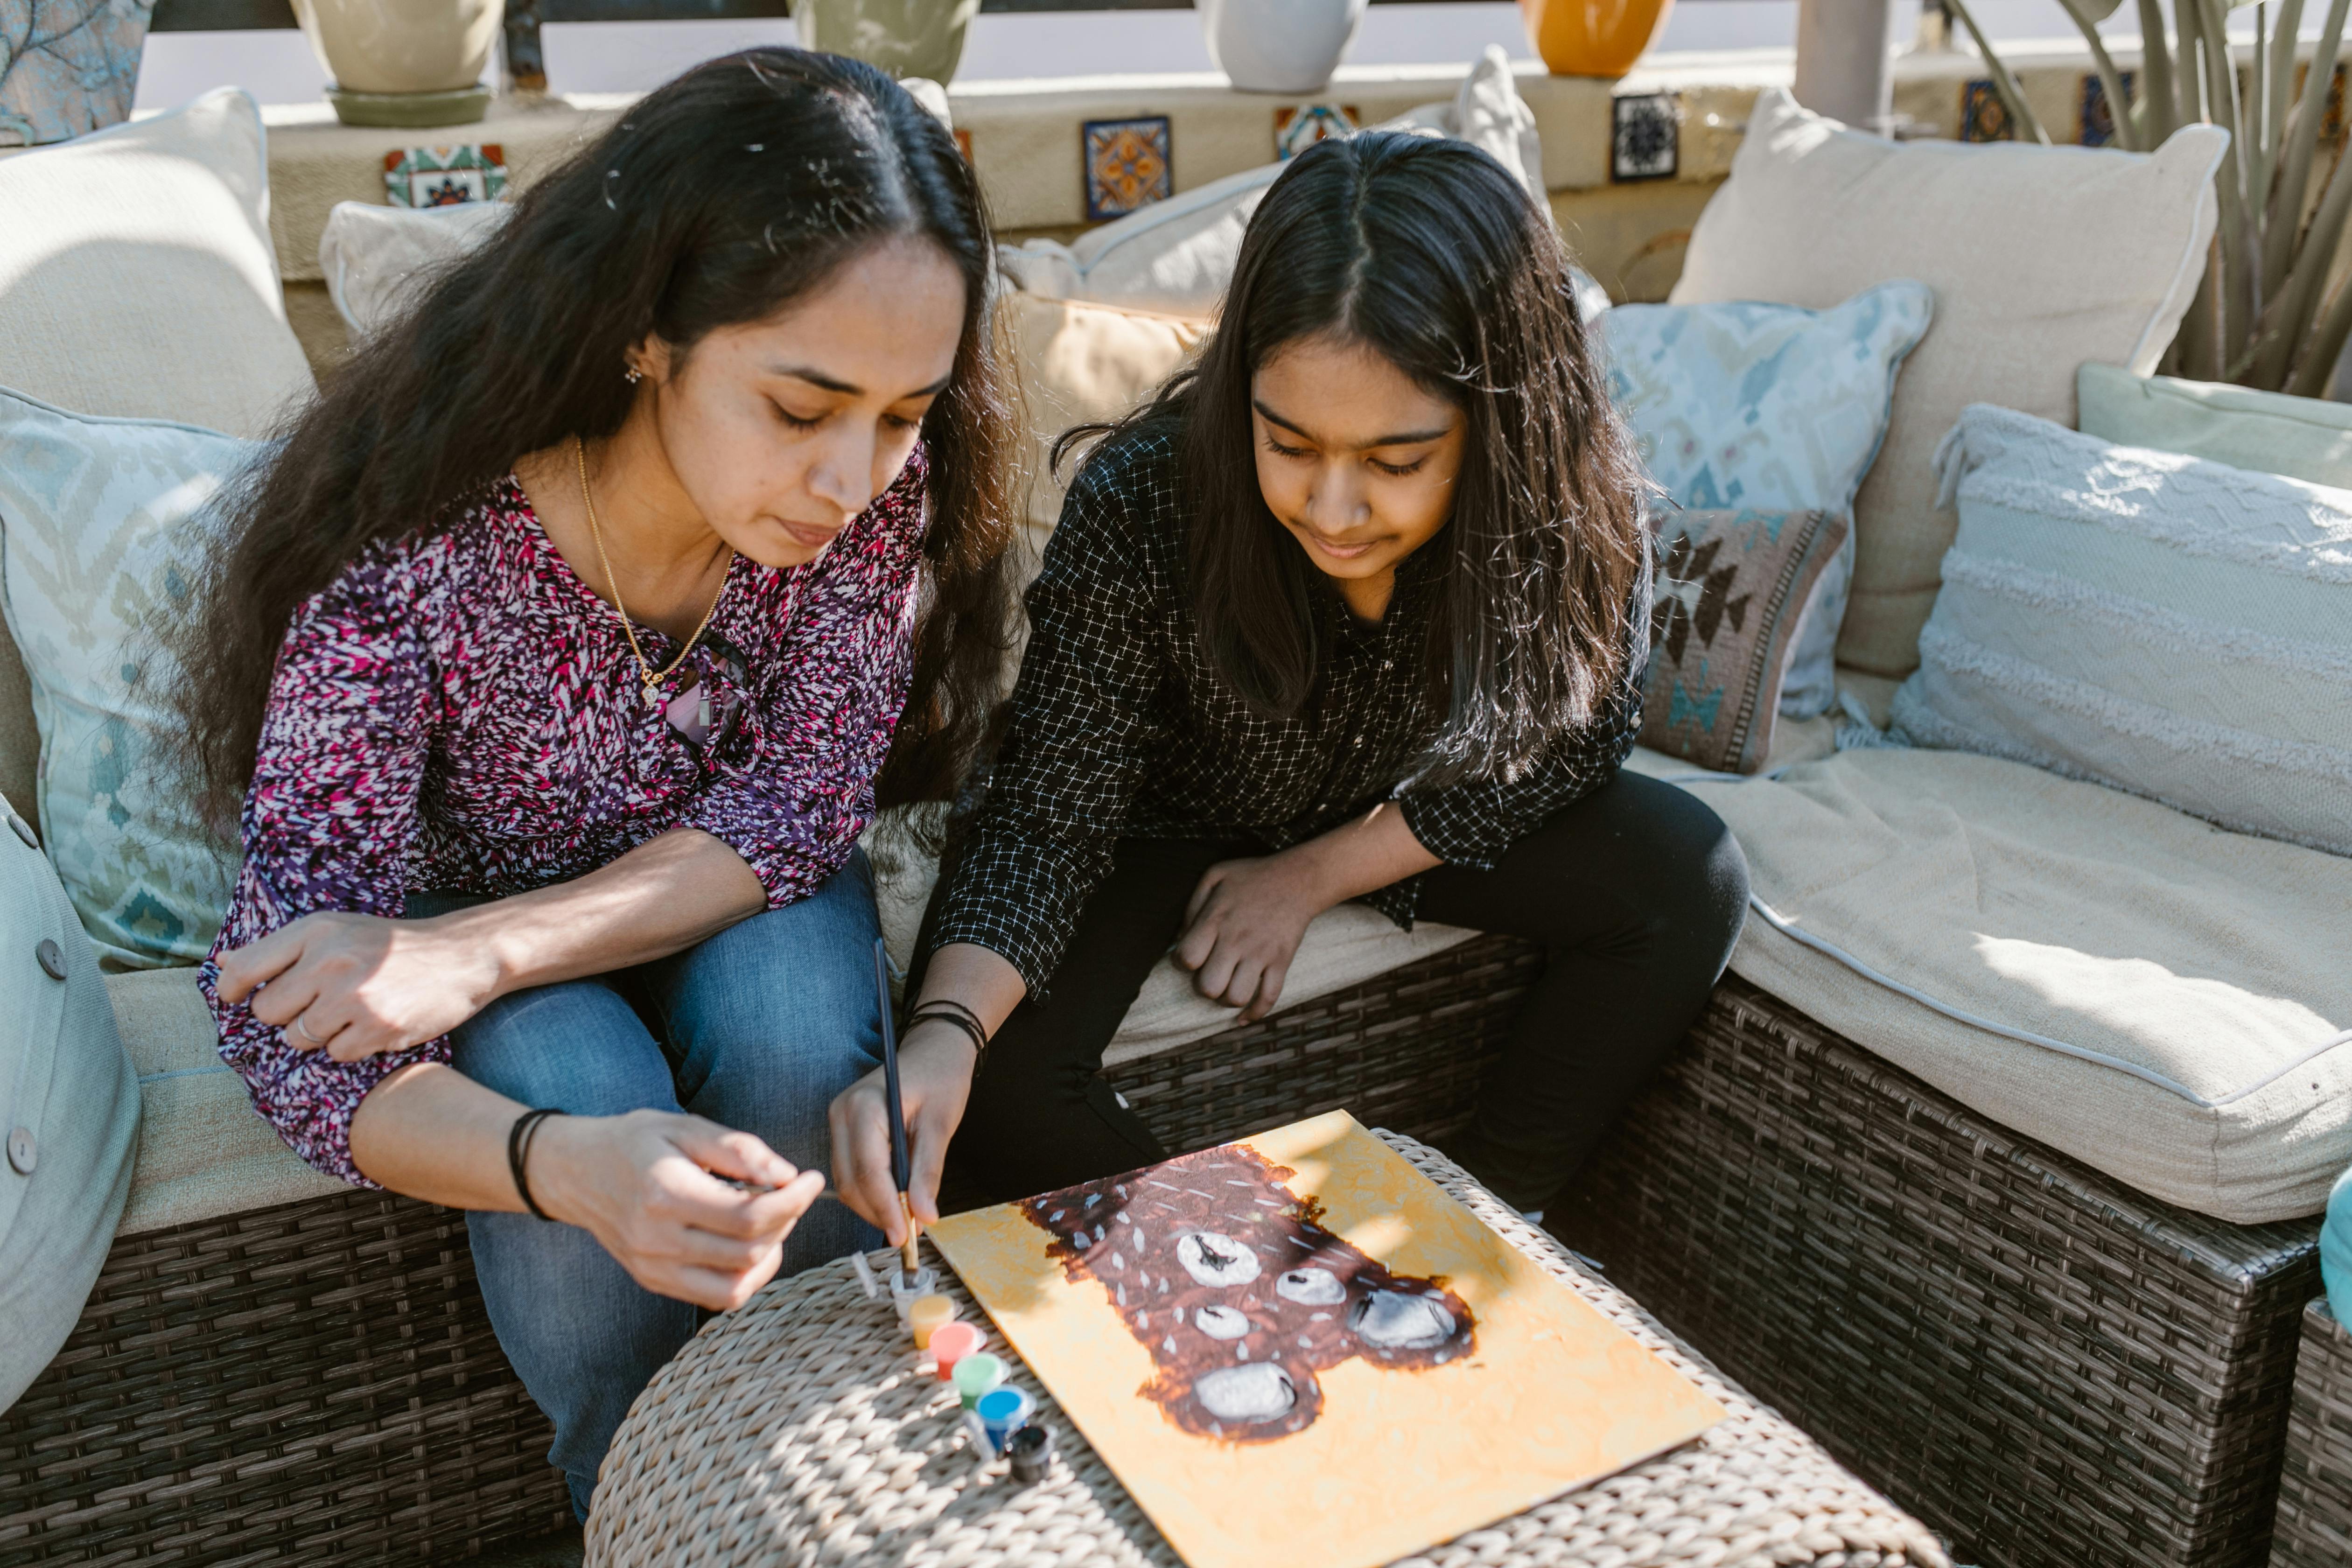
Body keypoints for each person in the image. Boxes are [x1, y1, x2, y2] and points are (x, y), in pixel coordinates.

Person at [178, 50, 1015, 1516]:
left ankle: (840, 1469)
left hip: (682, 897)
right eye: (803, 404)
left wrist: (483, 949)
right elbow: (283, 1018)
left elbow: (798, 808)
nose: (853, 477)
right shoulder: (417, 546)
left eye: (903, 415)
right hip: (495, 934)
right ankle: (634, 1498)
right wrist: (555, 1159)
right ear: (649, 335)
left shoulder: (873, 501)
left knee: (792, 1031)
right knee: (575, 1077)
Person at [830, 130, 1748, 1235]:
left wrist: (1314, 874)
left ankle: (1495, 1225)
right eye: (1289, 444)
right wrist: (942, 1033)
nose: (1334, 508)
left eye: (1396, 462)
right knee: (997, 1094)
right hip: (1155, 817)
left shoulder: (1564, 501)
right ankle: (1264, 1279)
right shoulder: (1145, 499)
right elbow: (1050, 810)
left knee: (1686, 874)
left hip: (1389, 803)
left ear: (1503, 430)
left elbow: (1576, 741)